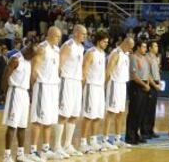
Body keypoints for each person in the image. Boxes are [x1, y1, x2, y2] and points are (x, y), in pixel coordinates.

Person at [1, 39, 38, 162]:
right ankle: (7, 156)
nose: (34, 57)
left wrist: (31, 92)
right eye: (33, 54)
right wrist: (6, 94)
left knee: (22, 126)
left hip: (24, 93)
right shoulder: (16, 59)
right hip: (15, 92)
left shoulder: (28, 60)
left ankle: (20, 154)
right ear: (27, 50)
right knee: (12, 125)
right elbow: (5, 76)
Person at [29, 27, 63, 161]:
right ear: (49, 35)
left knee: (49, 120)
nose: (59, 39)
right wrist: (34, 87)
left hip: (53, 87)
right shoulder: (42, 48)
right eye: (56, 37)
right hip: (42, 86)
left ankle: (45, 148)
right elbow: (34, 70)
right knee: (38, 120)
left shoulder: (56, 49)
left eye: (60, 37)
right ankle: (32, 151)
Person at [53, 25, 86, 157]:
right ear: (76, 33)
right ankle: (56, 146)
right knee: (63, 114)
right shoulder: (68, 45)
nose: (85, 36)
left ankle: (67, 145)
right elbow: (59, 64)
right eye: (83, 33)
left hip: (76, 82)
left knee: (73, 115)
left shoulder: (81, 47)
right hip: (66, 81)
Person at [79, 31, 110, 153]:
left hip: (99, 87)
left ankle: (93, 141)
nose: (107, 44)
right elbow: (84, 70)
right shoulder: (90, 52)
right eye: (105, 42)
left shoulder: (103, 53)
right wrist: (82, 87)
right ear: (99, 41)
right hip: (91, 86)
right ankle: (82, 143)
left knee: (97, 115)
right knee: (88, 116)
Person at [102, 37, 135, 150]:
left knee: (121, 113)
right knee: (111, 112)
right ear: (125, 43)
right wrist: (103, 86)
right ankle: (104, 140)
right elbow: (108, 70)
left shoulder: (125, 54)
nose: (131, 50)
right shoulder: (115, 53)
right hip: (114, 85)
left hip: (122, 85)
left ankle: (117, 139)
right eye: (130, 47)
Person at [125, 40, 150, 145]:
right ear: (138, 47)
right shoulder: (133, 57)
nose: (145, 49)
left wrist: (147, 84)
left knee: (141, 112)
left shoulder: (144, 58)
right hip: (136, 85)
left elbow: (147, 73)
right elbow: (134, 75)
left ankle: (136, 134)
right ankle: (130, 136)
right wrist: (144, 85)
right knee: (134, 112)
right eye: (143, 47)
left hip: (144, 84)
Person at [141, 41, 161, 139]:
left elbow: (157, 72)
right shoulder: (146, 58)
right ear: (150, 48)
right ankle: (144, 131)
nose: (157, 47)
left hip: (156, 83)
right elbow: (148, 74)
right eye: (155, 45)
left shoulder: (156, 58)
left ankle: (150, 129)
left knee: (152, 109)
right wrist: (154, 84)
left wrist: (159, 82)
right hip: (151, 84)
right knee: (147, 109)